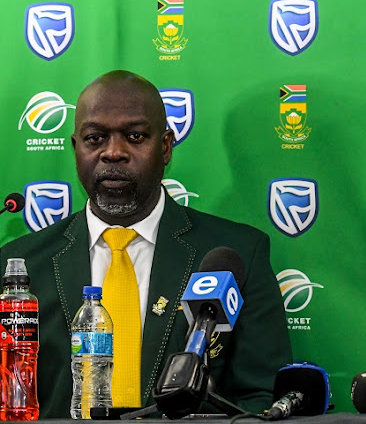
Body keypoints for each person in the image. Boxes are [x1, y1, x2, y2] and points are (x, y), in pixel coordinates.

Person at [0, 70, 292, 418]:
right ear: (76, 149)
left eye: (135, 136)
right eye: (95, 138)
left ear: (166, 146)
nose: (113, 152)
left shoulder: (236, 254)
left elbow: (261, 397)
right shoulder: (20, 266)